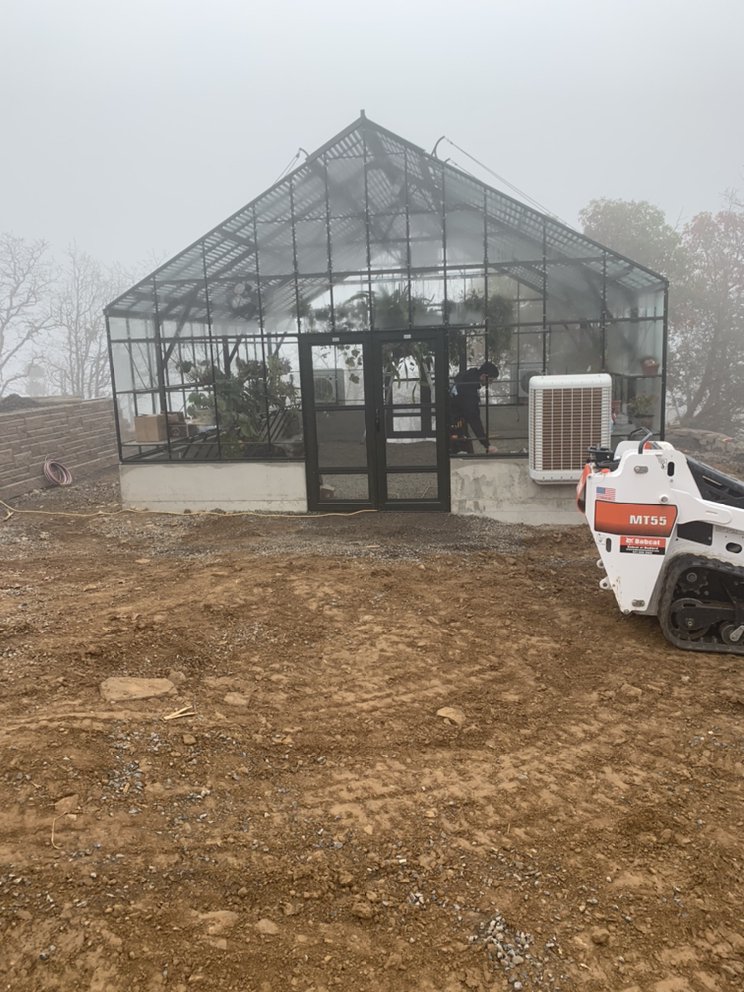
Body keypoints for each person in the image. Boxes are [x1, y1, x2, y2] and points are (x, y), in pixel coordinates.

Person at [449, 360, 499, 455]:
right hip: (455, 423)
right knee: (465, 455)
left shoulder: (466, 376)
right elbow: (473, 418)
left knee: (466, 449)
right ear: (484, 376)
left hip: (454, 419)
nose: (490, 383)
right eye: (490, 380)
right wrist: (487, 444)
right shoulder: (469, 390)